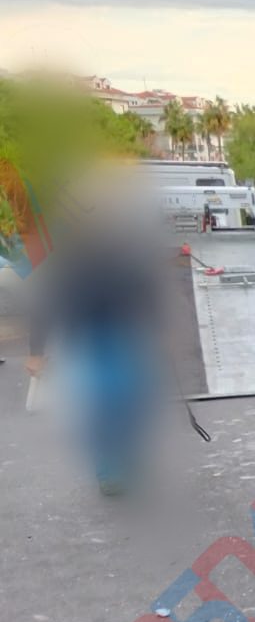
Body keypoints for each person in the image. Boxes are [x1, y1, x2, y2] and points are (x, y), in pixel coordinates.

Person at [25, 175, 169, 496]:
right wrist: (36, 350)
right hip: (84, 339)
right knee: (98, 404)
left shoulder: (126, 250)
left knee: (136, 399)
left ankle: (127, 451)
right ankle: (108, 467)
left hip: (126, 334)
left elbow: (146, 287)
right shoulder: (63, 257)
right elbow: (43, 301)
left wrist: (159, 330)